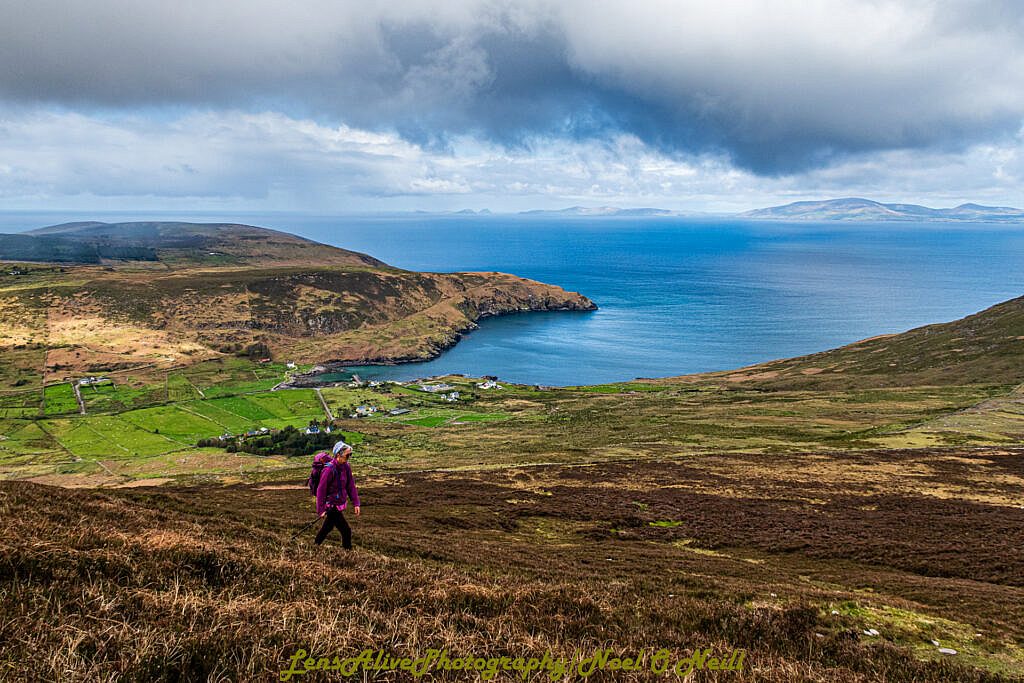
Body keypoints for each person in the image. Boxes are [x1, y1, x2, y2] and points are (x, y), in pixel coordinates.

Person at [314, 440, 361, 548]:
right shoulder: (329, 470)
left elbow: (350, 486)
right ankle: (348, 556)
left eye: (350, 455)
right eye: (347, 455)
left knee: (327, 528)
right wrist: (321, 510)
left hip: (339, 504)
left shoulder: (346, 467)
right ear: (338, 455)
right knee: (346, 531)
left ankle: (314, 546)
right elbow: (321, 490)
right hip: (332, 506)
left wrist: (356, 503)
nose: (349, 457)